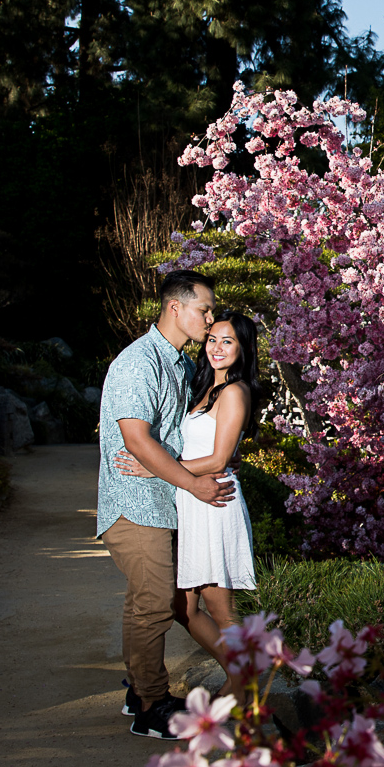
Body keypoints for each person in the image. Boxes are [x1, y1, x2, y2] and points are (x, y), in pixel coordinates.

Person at [96, 269, 234, 740]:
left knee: (148, 603)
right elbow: (136, 440)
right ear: (176, 307)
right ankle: (151, 707)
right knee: (155, 604)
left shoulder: (177, 361)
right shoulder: (139, 362)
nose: (210, 318)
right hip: (135, 504)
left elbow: (167, 439)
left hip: (161, 499)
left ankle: (142, 691)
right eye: (205, 309)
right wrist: (192, 484)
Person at [115, 309, 261, 693]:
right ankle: (240, 674)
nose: (216, 347)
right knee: (182, 606)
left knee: (220, 608)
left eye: (227, 341)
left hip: (214, 502)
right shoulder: (203, 388)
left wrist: (157, 467)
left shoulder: (233, 391)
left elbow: (217, 459)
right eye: (212, 339)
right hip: (192, 501)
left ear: (243, 349)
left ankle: (243, 684)